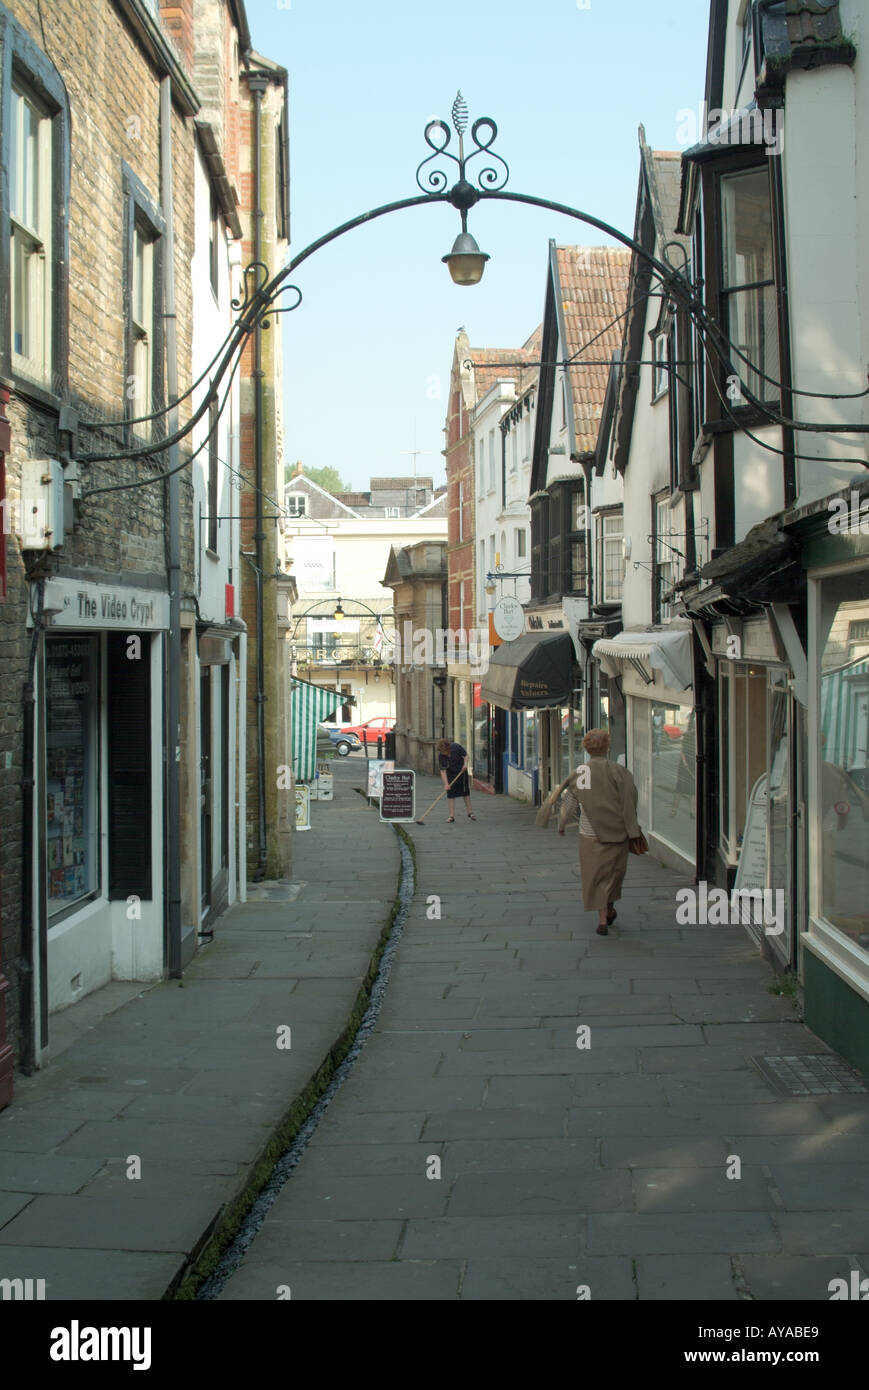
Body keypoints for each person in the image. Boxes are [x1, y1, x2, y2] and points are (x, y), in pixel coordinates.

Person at [540, 728, 642, 935]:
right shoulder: (618, 771)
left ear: (586, 748)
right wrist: (632, 827)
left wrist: (562, 823)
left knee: (594, 875)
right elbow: (631, 799)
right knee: (614, 874)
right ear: (608, 747)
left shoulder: (584, 772)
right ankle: (610, 906)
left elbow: (570, 801)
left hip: (590, 832)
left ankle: (603, 919)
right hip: (618, 832)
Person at [437, 737, 475, 822]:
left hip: (462, 772)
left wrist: (465, 764)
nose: (443, 754)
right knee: (450, 794)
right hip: (450, 774)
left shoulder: (456, 747)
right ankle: (451, 816)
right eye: (441, 752)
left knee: (466, 793)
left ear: (448, 747)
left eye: (444, 751)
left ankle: (470, 812)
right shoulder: (441, 756)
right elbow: (443, 771)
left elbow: (466, 755)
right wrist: (446, 784)